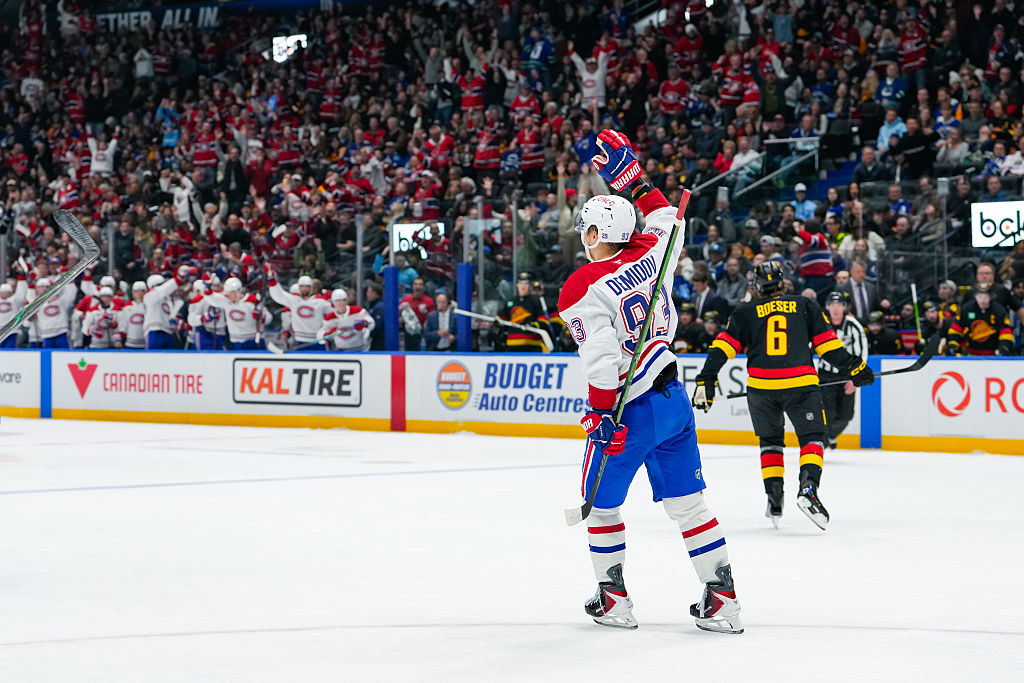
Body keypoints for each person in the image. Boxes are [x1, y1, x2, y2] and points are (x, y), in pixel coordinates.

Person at [559, 129, 741, 634]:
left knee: (600, 506)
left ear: (596, 233)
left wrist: (599, 413)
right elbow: (667, 220)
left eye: (587, 230)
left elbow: (599, 360)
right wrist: (632, 178)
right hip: (673, 399)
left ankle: (613, 599)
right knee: (689, 504)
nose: (584, 237)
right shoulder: (652, 254)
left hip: (628, 407)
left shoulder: (581, 284)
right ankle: (723, 598)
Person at [692, 261, 874, 530]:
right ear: (781, 282)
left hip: (761, 389)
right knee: (812, 438)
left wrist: (706, 379)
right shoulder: (804, 305)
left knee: (770, 441)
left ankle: (774, 498)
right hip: (801, 386)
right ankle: (808, 488)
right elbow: (828, 347)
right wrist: (855, 367)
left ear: (756, 286)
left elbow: (722, 348)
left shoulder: (745, 311)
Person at [817, 292, 868, 449]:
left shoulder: (853, 326)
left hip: (847, 375)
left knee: (846, 415)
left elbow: (862, 352)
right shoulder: (821, 324)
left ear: (844, 307)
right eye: (832, 305)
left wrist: (856, 378)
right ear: (828, 307)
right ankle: (822, 439)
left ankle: (829, 436)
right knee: (827, 411)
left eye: (839, 305)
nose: (836, 309)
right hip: (826, 375)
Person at [267, 269, 332, 350]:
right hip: (299, 340)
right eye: (302, 286)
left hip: (317, 340)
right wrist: (272, 281)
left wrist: (328, 330)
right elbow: (279, 295)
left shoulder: (321, 301)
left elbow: (336, 314)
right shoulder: (294, 300)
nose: (304, 289)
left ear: (311, 287)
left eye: (307, 286)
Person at [947, 283, 1014, 356]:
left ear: (991, 296)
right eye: (980, 297)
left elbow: (1006, 331)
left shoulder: (999, 310)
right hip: (971, 355)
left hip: (994, 355)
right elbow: (956, 328)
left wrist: (1004, 347)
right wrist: (953, 343)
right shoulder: (967, 309)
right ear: (975, 296)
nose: (982, 300)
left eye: (985, 297)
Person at [204, 277, 270, 350]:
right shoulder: (226, 302)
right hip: (237, 341)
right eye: (227, 292)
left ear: (238, 291)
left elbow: (268, 318)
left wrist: (261, 316)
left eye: (230, 292)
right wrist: (207, 289)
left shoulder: (252, 301)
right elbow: (211, 299)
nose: (228, 295)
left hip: (255, 340)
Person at [498, 272, 546, 352]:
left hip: (532, 345)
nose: (523, 286)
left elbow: (544, 320)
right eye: (520, 283)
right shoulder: (510, 302)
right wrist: (498, 323)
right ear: (517, 285)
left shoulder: (536, 301)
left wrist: (534, 325)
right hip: (512, 345)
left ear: (530, 286)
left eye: (526, 284)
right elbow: (503, 321)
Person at [399, 277, 434, 351]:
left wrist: (425, 313)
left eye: (420, 284)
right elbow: (398, 317)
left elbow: (433, 321)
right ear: (412, 287)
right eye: (415, 284)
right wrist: (400, 310)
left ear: (424, 287)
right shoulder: (406, 299)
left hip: (423, 333)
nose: (418, 286)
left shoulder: (429, 301)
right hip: (409, 333)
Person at [0, 276, 28, 349]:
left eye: (8, 292)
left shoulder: (14, 301)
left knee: (10, 350)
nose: (6, 294)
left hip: (11, 331)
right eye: (3, 292)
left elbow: (21, 294)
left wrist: (22, 278)